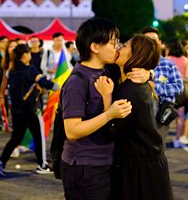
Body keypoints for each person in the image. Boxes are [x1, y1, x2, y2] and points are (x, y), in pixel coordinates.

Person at [60, 17, 142, 200]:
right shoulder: (76, 82)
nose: (117, 47)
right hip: (84, 166)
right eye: (113, 43)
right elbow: (72, 131)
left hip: (105, 162)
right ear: (95, 47)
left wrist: (147, 73)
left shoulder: (106, 70)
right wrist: (109, 115)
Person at [96, 35, 173, 200]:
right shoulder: (127, 80)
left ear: (134, 56)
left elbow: (112, 131)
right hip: (144, 164)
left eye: (124, 46)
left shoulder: (131, 89)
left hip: (142, 170)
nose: (118, 48)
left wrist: (106, 98)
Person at [0, 44, 58, 177]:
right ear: (25, 55)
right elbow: (43, 82)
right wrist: (59, 87)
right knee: (38, 136)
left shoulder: (11, 71)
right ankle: (42, 165)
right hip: (31, 110)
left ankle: (1, 162)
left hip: (17, 111)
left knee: (16, 138)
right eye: (28, 53)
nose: (30, 55)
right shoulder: (30, 69)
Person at [142, 27, 183, 149]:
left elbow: (178, 87)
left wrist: (155, 87)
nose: (151, 44)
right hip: (140, 116)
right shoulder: (137, 63)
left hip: (161, 115)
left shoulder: (168, 64)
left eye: (154, 40)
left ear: (161, 43)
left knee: (158, 149)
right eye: (146, 40)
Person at [165, 39, 188, 148]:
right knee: (180, 117)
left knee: (164, 114)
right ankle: (177, 139)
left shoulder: (166, 59)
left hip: (167, 90)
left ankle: (162, 138)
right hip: (180, 91)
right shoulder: (185, 60)